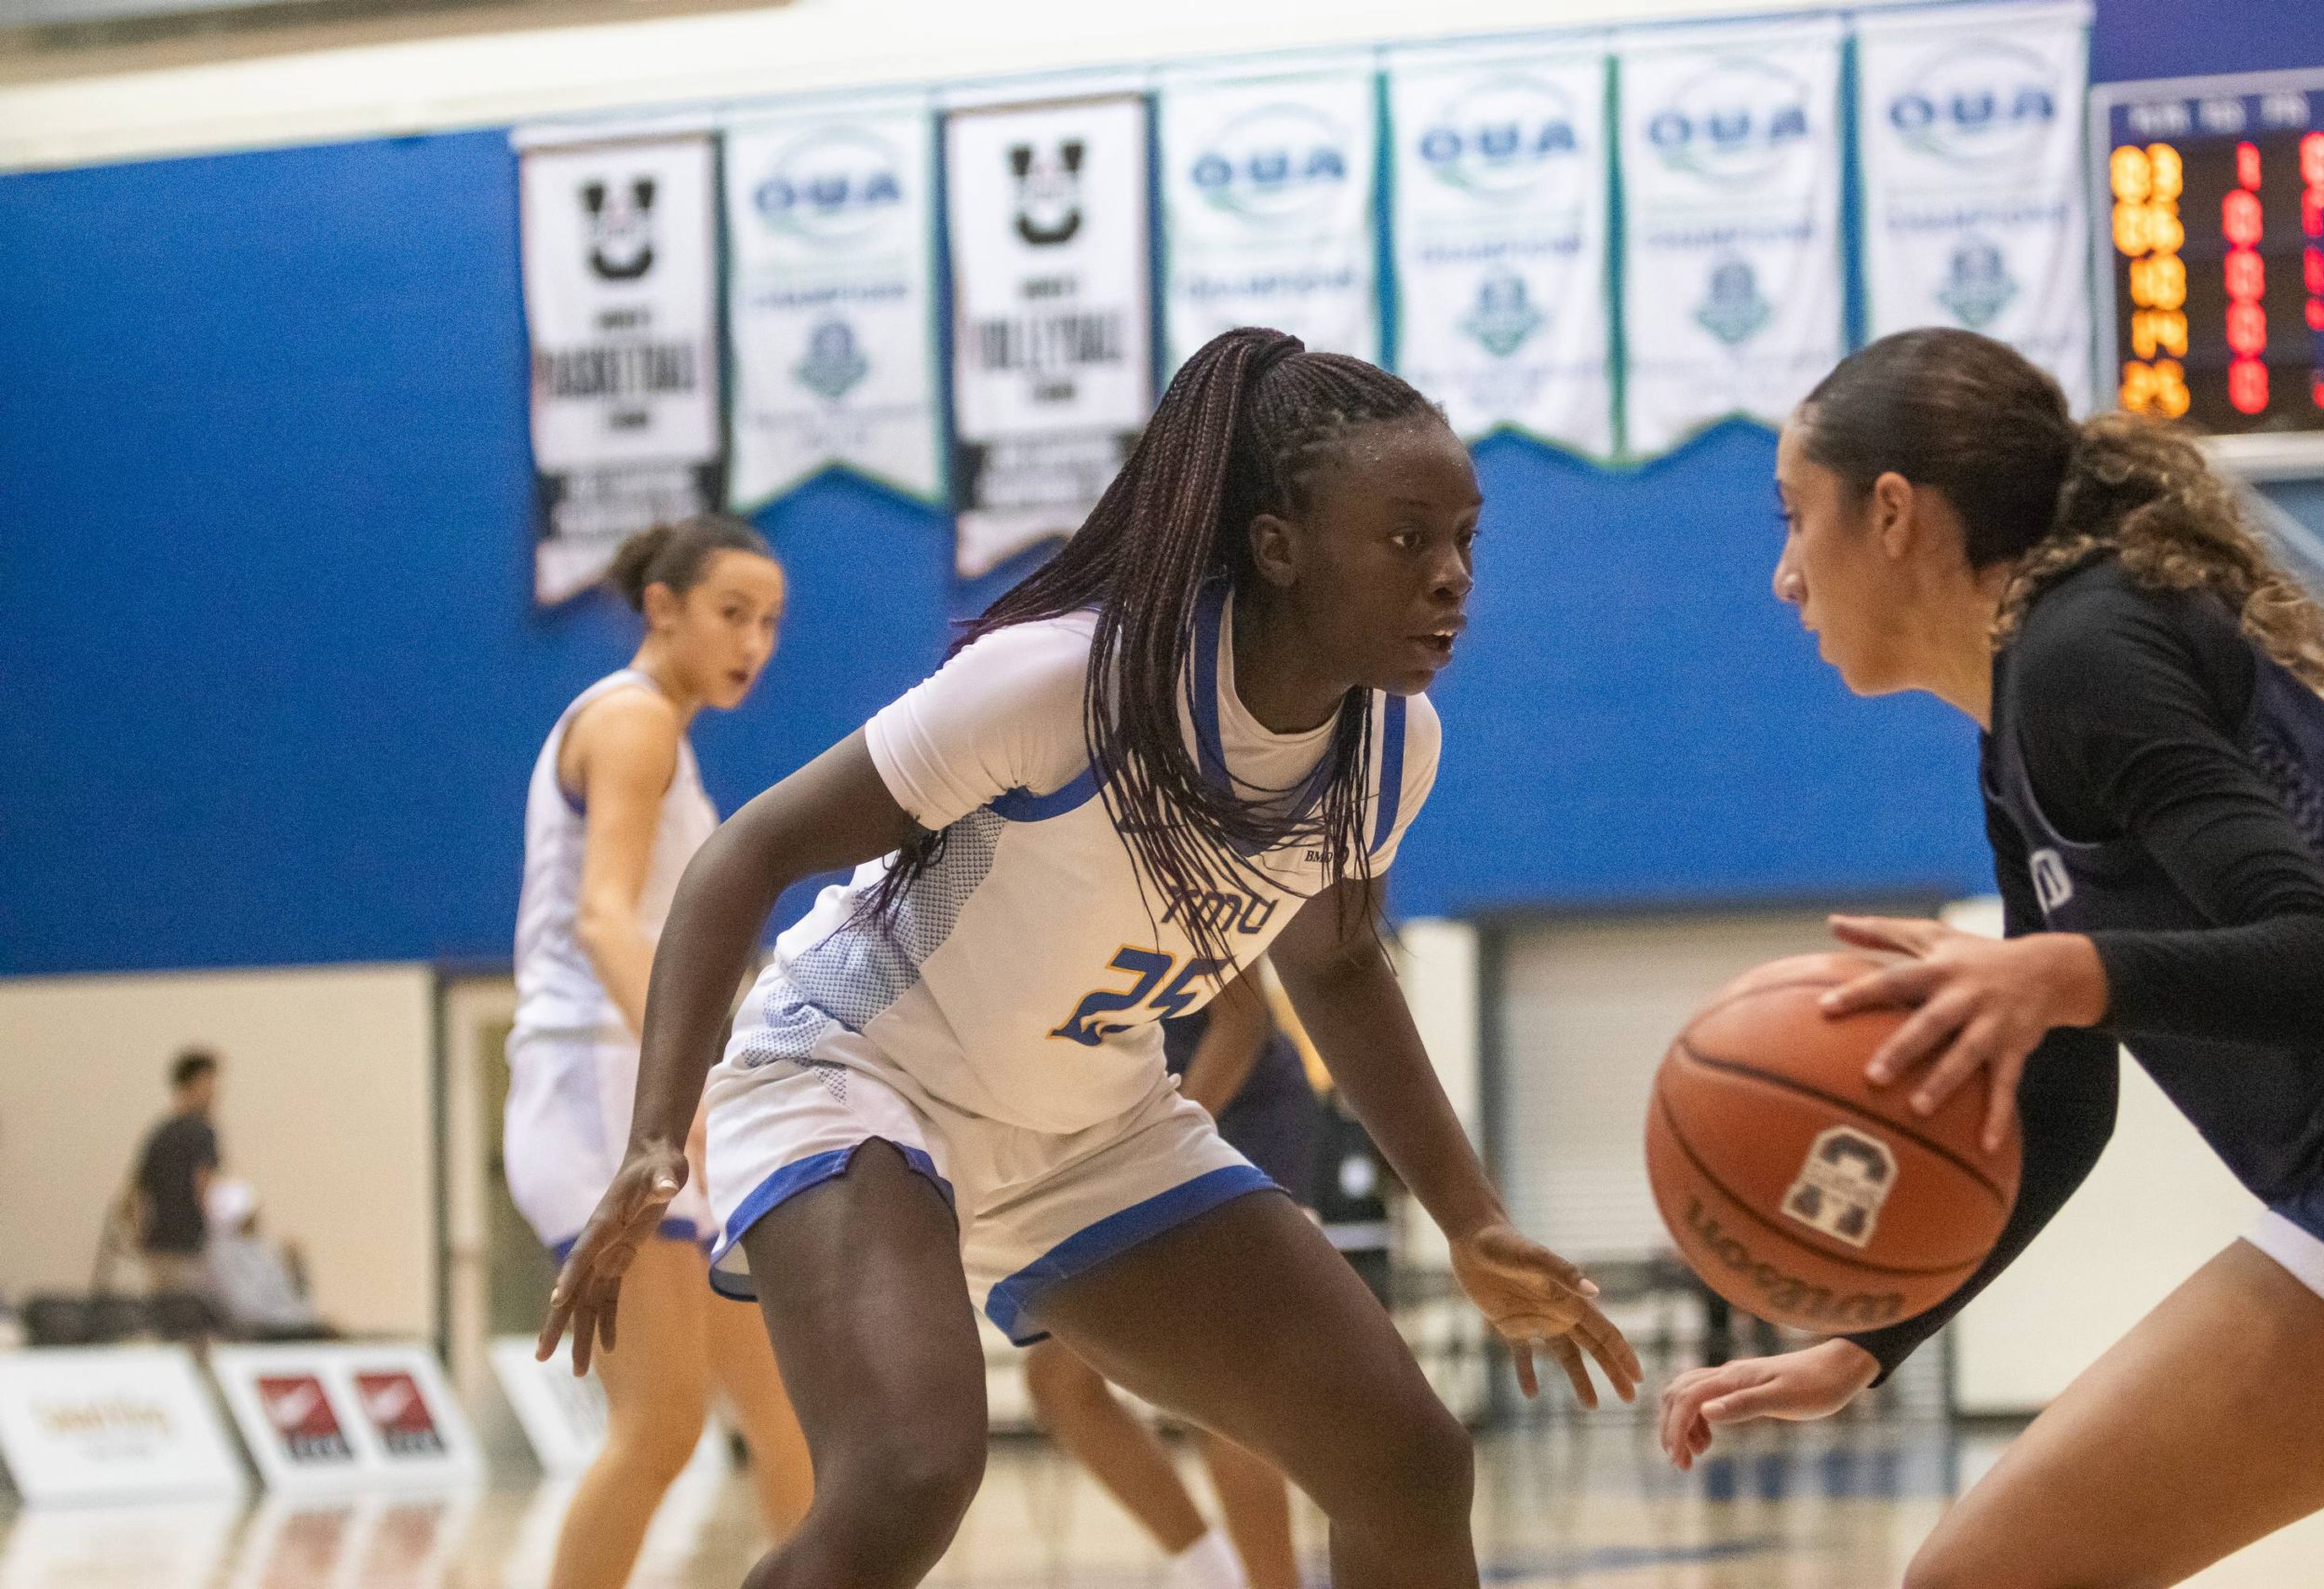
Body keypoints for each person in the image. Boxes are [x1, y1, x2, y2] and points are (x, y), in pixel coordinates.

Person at [542, 328, 1642, 1589]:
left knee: (1405, 1454)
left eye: (1465, 540)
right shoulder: (1071, 680)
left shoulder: (1394, 746)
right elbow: (747, 852)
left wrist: (1473, 1216)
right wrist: (654, 1130)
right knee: (911, 1467)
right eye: (1406, 539)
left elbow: (1335, 967)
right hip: (847, 1072)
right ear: (1278, 546)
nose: (1451, 576)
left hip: (1088, 1125)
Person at [1659, 328, 2324, 1588]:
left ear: (1891, 513)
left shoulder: (2082, 657)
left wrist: (2063, 973)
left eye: (1793, 517)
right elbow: (2063, 1094)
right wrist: (1872, 1339)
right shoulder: (2020, 722)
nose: (1784, 576)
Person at [507, 514, 813, 1589]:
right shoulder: (633, 722)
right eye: (733, 614)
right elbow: (603, 921)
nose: (754, 643)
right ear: (662, 609)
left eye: (771, 622)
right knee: (663, 1428)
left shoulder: (662, 737)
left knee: (791, 1420)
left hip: (632, 1082)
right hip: (595, 1081)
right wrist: (683, 1089)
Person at [1021, 970, 1319, 1589]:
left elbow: (1243, 1021)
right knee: (1059, 1379)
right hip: (1121, 1130)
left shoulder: (1168, 875)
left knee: (1223, 1384)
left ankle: (1274, 1580)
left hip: (1235, 1107)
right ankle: (1213, 1573)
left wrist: (1161, 1149)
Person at [124, 1049, 222, 1296]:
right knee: (192, 1322)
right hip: (190, 1249)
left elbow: (131, 1195)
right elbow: (205, 1191)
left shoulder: (158, 1133)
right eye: (209, 1083)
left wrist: (142, 1237)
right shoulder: (202, 1132)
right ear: (193, 1084)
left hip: (157, 1249)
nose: (214, 1092)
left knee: (167, 1321)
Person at [203, 1178, 333, 1340]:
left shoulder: (263, 1250)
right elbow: (243, 1308)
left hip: (283, 1325)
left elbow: (293, 1300)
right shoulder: (219, 1255)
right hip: (256, 1332)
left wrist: (297, 1270)